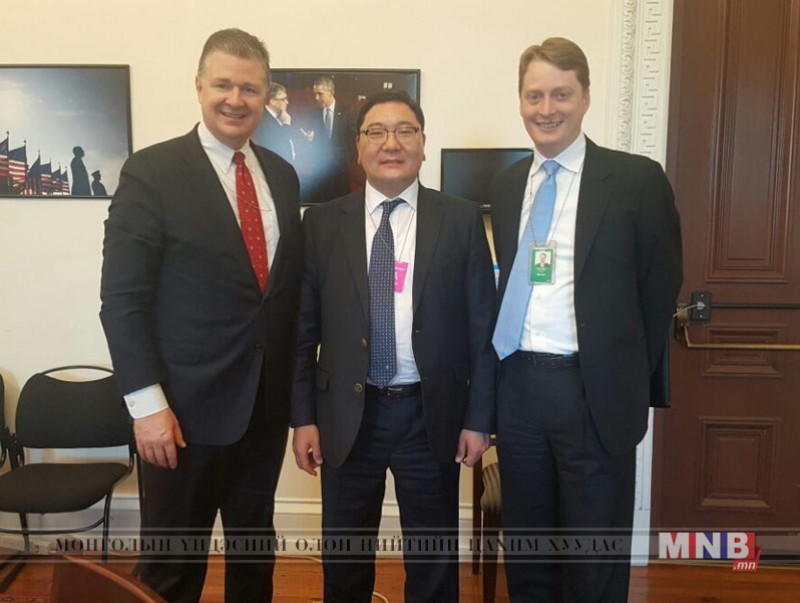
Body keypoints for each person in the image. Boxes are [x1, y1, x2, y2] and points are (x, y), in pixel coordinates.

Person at [99, 28, 303, 603]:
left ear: (266, 95)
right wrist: (147, 407)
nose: (235, 99)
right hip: (180, 417)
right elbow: (122, 300)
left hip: (262, 411)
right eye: (223, 85)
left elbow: (279, 295)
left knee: (254, 561)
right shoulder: (152, 172)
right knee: (172, 572)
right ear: (198, 86)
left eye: (250, 88)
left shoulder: (282, 176)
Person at [490, 37, 682, 602]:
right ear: (520, 101)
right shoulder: (506, 185)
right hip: (519, 390)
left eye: (561, 94)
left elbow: (658, 290)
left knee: (592, 559)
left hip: (594, 395)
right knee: (528, 553)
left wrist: (623, 376)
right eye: (534, 96)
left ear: (586, 97)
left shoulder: (636, 180)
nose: (546, 108)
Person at [291, 90, 496, 603]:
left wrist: (478, 419)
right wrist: (303, 418)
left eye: (405, 130)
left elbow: (482, 329)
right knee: (345, 558)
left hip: (430, 414)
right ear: (358, 148)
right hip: (346, 414)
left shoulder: (461, 219)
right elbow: (303, 330)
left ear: (423, 144)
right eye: (377, 132)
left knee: (433, 562)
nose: (391, 143)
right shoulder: (321, 223)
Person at [305, 75, 356, 202]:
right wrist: (309, 142)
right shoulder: (313, 115)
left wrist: (348, 161)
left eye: (320, 94)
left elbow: (354, 138)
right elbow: (309, 142)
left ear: (331, 92)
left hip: (341, 170)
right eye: (315, 94)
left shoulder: (346, 112)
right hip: (321, 172)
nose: (316, 98)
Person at [252, 82, 298, 164]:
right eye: (283, 99)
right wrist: (286, 124)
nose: (287, 102)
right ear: (272, 101)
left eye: (286, 98)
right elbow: (279, 143)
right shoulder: (263, 120)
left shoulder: (283, 115)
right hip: (274, 165)